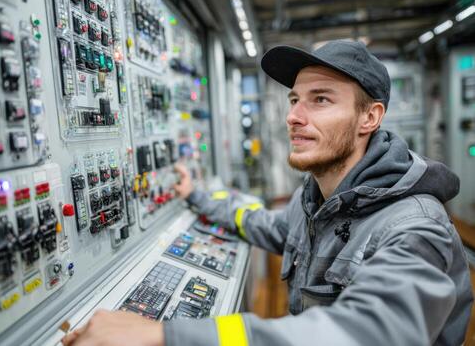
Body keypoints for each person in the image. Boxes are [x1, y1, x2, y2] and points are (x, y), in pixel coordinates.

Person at [62, 40, 473, 346]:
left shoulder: (415, 227)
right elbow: (265, 225)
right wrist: (198, 197)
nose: (294, 116)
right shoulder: (315, 199)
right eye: (295, 99)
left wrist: (166, 335)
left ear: (370, 116)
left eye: (321, 99)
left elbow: (360, 334)